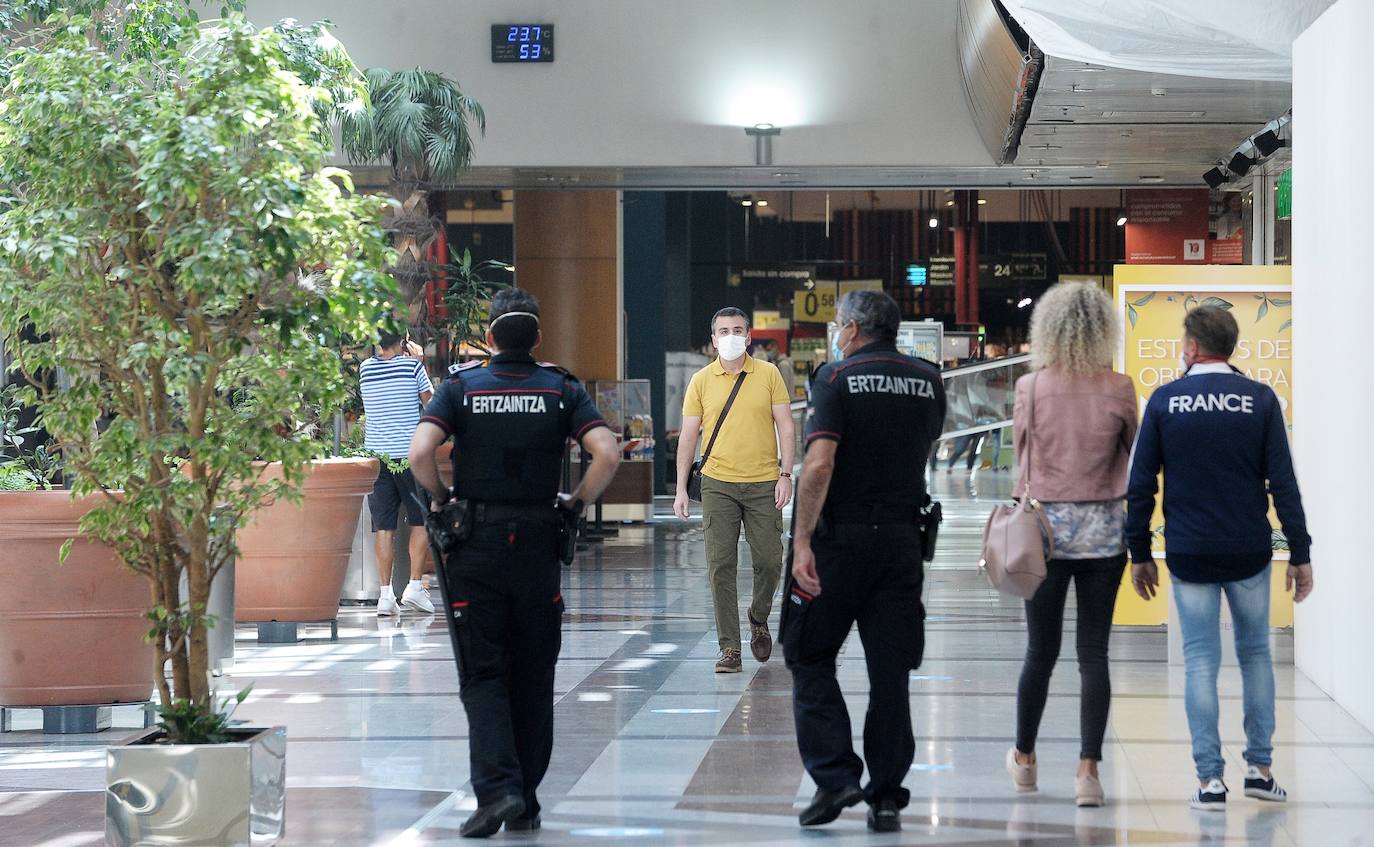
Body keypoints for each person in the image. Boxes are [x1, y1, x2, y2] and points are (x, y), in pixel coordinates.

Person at [408, 289, 621, 838]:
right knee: (533, 672)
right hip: (536, 542)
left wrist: (441, 499)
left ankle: (497, 789)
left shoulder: (461, 387)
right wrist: (575, 503)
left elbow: (419, 452)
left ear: (491, 336)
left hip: (476, 545)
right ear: (538, 338)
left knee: (484, 673)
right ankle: (525, 800)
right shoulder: (561, 388)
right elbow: (607, 451)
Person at [1126, 305, 1313, 812]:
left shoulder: (1165, 401)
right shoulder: (1260, 399)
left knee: (1200, 662)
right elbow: (1284, 482)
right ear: (1230, 347)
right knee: (1256, 657)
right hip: (1248, 549)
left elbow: (1141, 484)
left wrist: (1139, 551)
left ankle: (1210, 781)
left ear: (1191, 346)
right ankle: (1260, 768)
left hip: (1188, 551)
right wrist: (1300, 551)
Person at [785, 290, 946, 833]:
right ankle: (884, 798)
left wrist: (802, 540)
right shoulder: (928, 380)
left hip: (840, 542)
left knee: (809, 656)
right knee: (890, 673)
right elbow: (926, 446)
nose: (835, 331)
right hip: (902, 543)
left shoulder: (833, 378)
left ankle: (835, 776)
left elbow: (819, 463)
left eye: (837, 323)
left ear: (853, 329)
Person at [1003, 282, 1138, 807]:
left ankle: (1026, 759)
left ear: (1049, 330)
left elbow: (1021, 461)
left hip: (1044, 535)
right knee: (1094, 653)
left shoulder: (1031, 387)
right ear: (1102, 329)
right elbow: (1136, 455)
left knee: (1040, 651)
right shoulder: (1121, 387)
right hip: (1105, 534)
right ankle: (1088, 772)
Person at [673, 307, 795, 673]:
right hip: (718, 484)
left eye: (737, 330)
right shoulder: (701, 381)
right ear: (713, 339)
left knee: (771, 561)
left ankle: (758, 616)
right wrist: (680, 488)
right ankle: (730, 648)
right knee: (721, 566)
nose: (730, 336)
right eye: (723, 330)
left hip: (763, 483)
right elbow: (688, 436)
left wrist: (786, 473)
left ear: (748, 336)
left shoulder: (769, 374)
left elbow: (786, 426)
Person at [359, 329, 435, 616]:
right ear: (402, 340)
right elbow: (432, 403)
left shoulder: (365, 369)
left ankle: (385, 596)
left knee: (384, 527)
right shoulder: (412, 366)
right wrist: (420, 361)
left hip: (378, 458)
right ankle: (414, 587)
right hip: (409, 457)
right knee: (421, 520)